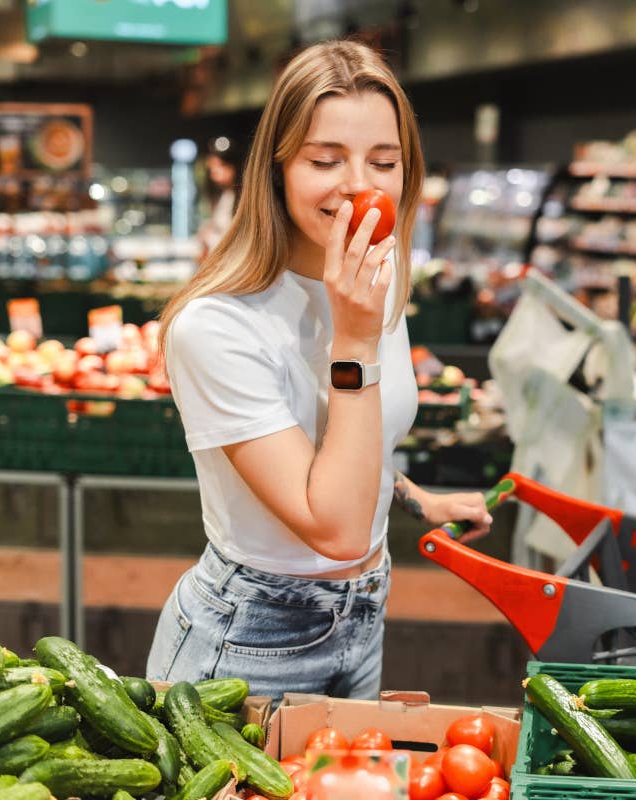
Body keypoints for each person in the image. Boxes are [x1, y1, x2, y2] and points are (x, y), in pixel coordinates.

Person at [146, 40, 492, 704]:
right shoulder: (217, 327)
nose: (361, 186)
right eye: (325, 160)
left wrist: (416, 499)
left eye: (384, 162)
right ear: (276, 169)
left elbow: (340, 450)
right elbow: (332, 527)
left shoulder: (376, 282)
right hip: (249, 639)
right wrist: (355, 342)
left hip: (365, 615)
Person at [196, 136, 240, 258]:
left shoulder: (245, 197)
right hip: (219, 264)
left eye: (221, 166)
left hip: (232, 264)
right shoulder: (223, 195)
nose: (214, 173)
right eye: (212, 168)